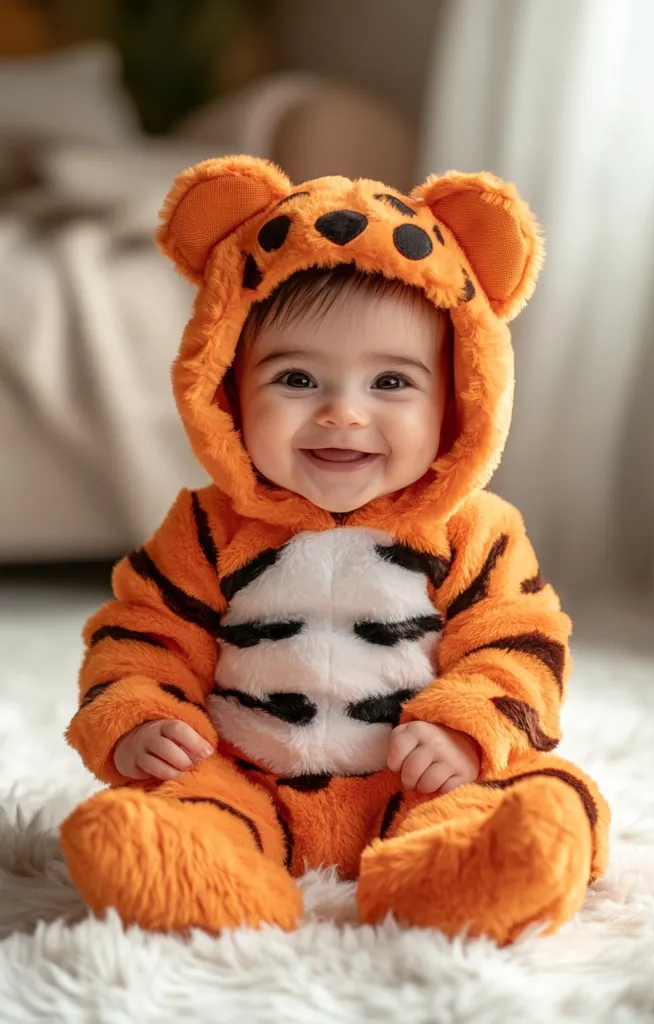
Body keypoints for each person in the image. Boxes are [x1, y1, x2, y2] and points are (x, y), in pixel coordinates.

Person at [60, 156, 609, 944]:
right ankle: (200, 867)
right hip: (246, 775)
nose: (344, 414)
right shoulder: (205, 527)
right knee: (167, 805)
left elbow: (519, 642)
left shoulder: (475, 530)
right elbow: (143, 633)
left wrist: (465, 730)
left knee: (542, 797)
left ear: (458, 398)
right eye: (296, 379)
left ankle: (464, 870)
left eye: (390, 383)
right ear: (227, 388)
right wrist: (143, 719)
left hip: (422, 779)